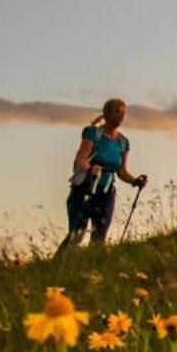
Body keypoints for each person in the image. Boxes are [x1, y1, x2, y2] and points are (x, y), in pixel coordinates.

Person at [59, 98, 146, 249]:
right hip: (85, 188)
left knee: (100, 237)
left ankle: (93, 270)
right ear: (107, 114)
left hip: (106, 192)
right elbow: (80, 159)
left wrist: (135, 181)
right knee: (76, 235)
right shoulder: (94, 133)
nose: (121, 116)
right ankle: (58, 266)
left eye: (123, 113)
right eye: (117, 112)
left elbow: (122, 171)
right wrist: (90, 168)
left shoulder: (123, 142)